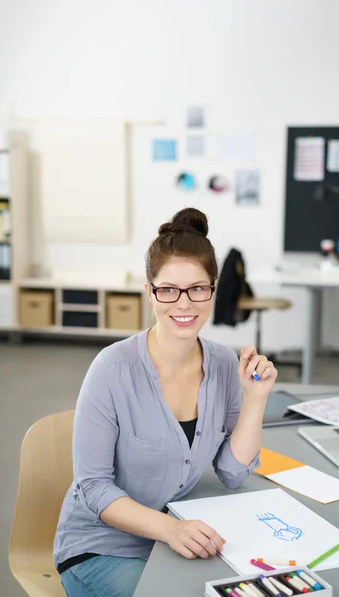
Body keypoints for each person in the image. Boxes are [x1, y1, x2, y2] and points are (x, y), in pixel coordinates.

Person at [54, 207, 278, 597]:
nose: (184, 304)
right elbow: (93, 488)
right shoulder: (112, 368)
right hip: (102, 546)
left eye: (198, 288)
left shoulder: (225, 362)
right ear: (150, 291)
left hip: (176, 539)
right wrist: (171, 530)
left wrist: (255, 399)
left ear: (213, 289)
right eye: (169, 289)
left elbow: (231, 472)